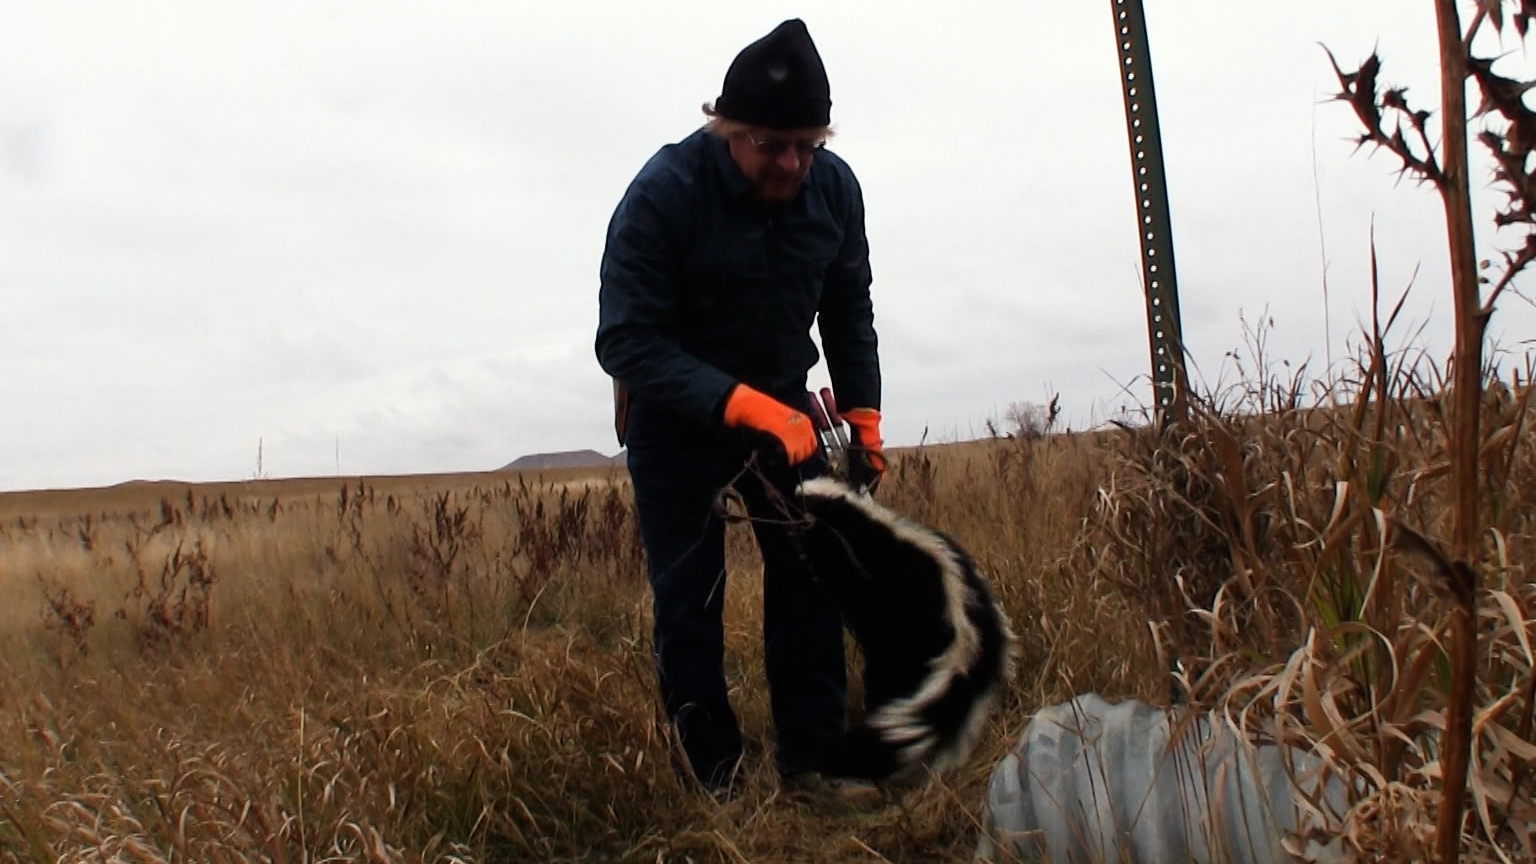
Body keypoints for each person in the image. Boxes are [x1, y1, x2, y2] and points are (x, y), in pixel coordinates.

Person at [594, 18, 887, 802]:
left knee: (812, 578)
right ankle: (712, 781)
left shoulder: (834, 190)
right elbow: (625, 341)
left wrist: (865, 421)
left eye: (807, 145)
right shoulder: (662, 195)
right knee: (690, 602)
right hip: (674, 419)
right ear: (725, 128)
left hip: (787, 416)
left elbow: (849, 312)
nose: (790, 162)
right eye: (769, 144)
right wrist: (744, 406)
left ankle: (813, 765)